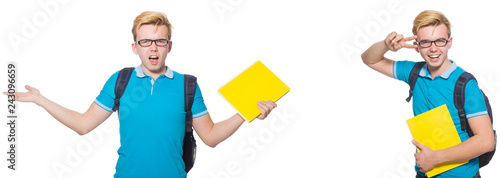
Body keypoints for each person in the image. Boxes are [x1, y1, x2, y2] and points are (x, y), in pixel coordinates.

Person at [4, 11, 277, 178]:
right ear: (135, 47)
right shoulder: (121, 80)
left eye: (159, 41)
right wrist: (40, 100)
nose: (153, 48)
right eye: (145, 41)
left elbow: (211, 137)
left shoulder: (187, 85)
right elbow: (83, 124)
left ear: (169, 46)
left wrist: (246, 112)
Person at [361, 10, 494, 178]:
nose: (433, 49)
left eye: (439, 41)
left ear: (449, 42)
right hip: (425, 174)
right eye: (425, 42)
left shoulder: (465, 84)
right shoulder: (414, 73)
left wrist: (435, 158)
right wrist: (386, 45)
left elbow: (486, 141)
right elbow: (369, 59)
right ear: (416, 46)